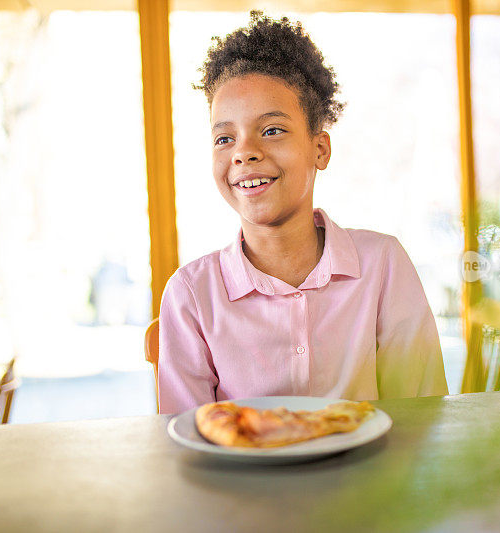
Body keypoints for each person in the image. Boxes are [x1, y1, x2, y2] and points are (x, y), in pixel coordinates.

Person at [158, 12, 447, 414]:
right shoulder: (190, 295)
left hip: (371, 477)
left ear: (320, 149)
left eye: (272, 130)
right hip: (242, 479)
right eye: (225, 138)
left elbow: (423, 415)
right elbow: (185, 440)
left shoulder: (383, 266)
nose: (244, 151)